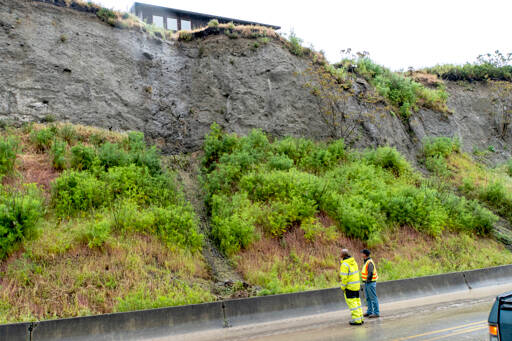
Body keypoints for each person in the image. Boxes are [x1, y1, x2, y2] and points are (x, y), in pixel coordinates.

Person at [340, 249, 364, 325]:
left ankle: (357, 320)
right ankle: (360, 318)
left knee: (353, 304)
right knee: (357, 303)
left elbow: (344, 278)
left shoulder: (344, 264)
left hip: (350, 287)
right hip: (356, 286)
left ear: (342, 255)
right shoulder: (354, 262)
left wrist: (343, 287)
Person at [361, 249, 380, 318]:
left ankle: (376, 312)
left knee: (373, 298)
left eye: (362, 253)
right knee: (368, 298)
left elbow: (370, 273)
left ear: (365, 254)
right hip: (367, 283)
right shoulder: (366, 261)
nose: (361, 254)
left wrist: (367, 281)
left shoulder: (369, 262)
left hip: (370, 283)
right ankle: (369, 311)